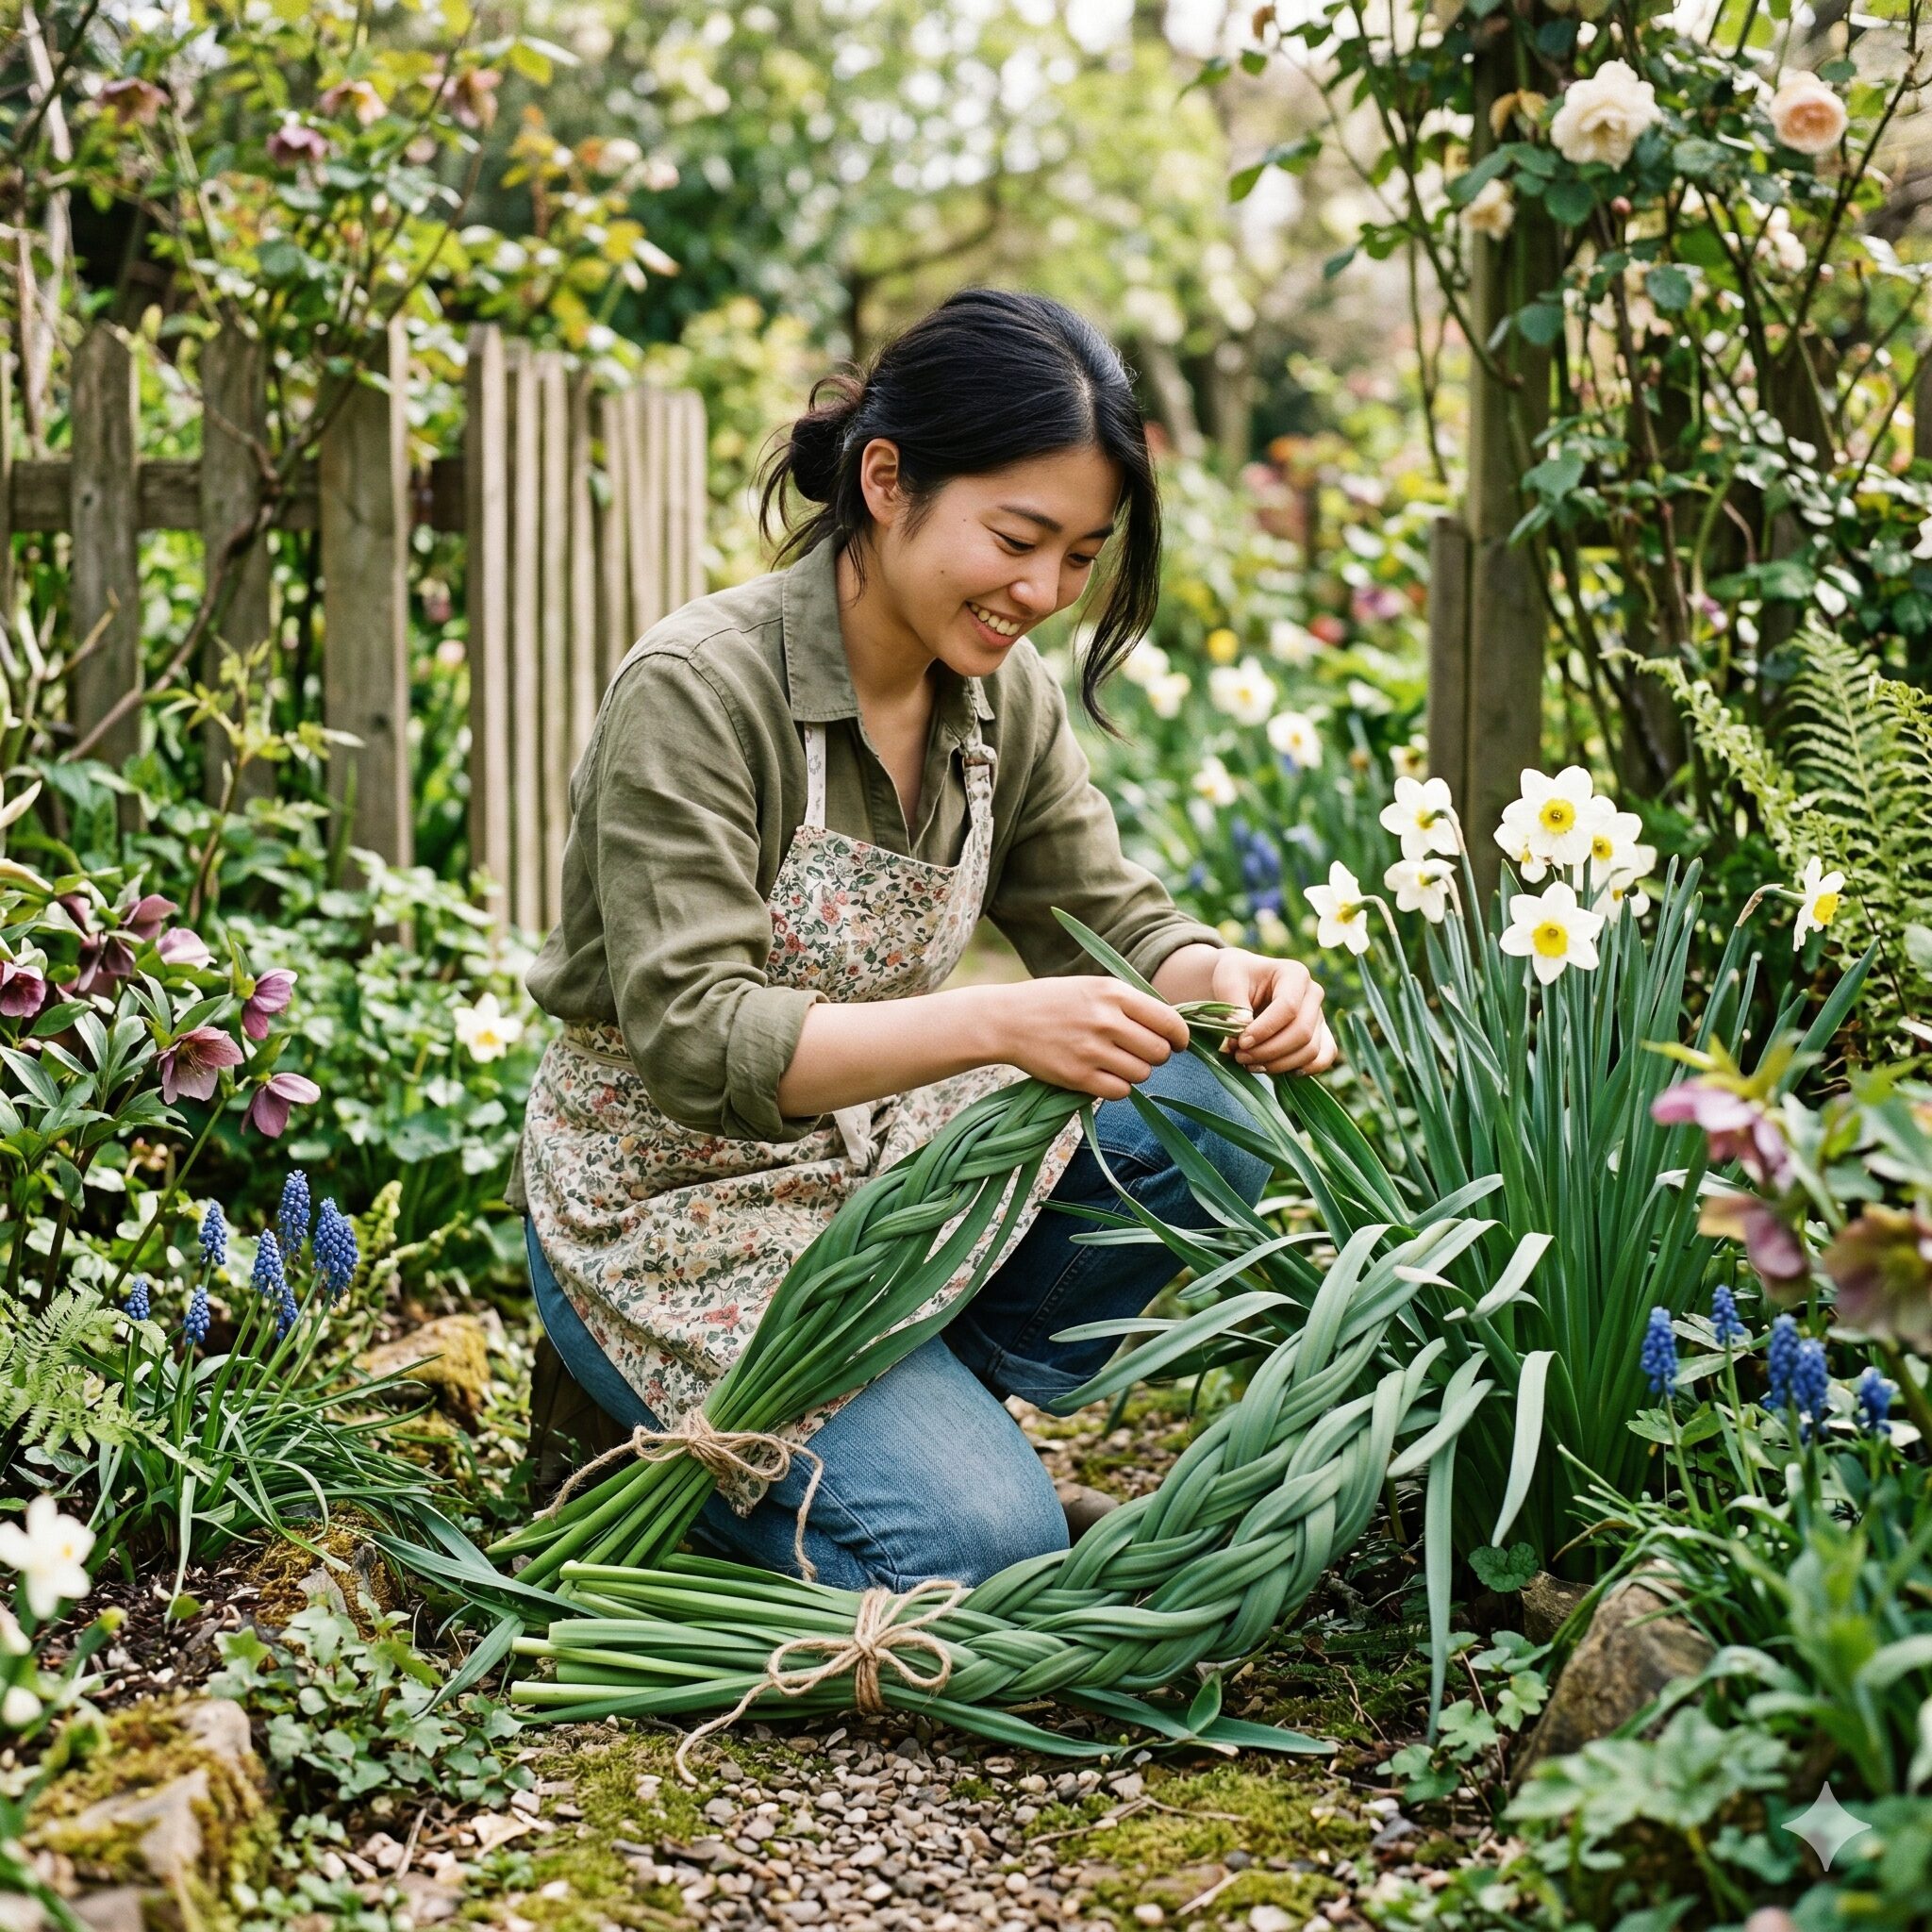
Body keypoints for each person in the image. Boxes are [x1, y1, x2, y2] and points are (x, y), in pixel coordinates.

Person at [508, 288, 1336, 1592]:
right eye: (1017, 537)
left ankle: (924, 1408)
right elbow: (696, 1038)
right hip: (670, 1209)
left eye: (1081, 554)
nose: (1045, 592)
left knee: (1213, 1098)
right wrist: (1000, 1022)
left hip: (871, 1173)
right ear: (887, 481)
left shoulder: (999, 694)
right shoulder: (702, 691)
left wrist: (1228, 983)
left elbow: (1104, 918)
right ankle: (667, 1443)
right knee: (982, 1547)